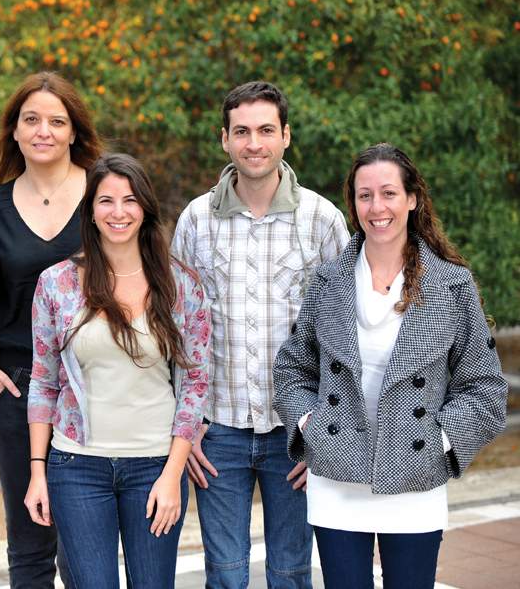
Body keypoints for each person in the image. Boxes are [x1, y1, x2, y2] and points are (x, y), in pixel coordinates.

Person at [273, 143, 507, 589]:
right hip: (338, 477)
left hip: (416, 477)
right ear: (353, 204)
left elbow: (485, 390)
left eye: (388, 193)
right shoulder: (327, 282)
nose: (376, 207)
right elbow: (293, 369)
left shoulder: (451, 285)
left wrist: (435, 440)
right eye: (365, 196)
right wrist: (310, 425)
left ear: (412, 198)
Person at [171, 80, 349, 588]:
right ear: (224, 138)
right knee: (224, 575)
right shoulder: (195, 221)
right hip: (216, 429)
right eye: (242, 131)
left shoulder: (322, 220)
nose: (255, 143)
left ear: (286, 136)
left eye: (266, 130)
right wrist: (186, 426)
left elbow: (345, 335)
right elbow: (178, 331)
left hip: (295, 430)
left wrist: (326, 433)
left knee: (291, 574)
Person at [24, 153, 210, 588]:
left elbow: (196, 384)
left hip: (154, 466)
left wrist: (172, 474)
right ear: (90, 210)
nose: (119, 212)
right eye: (106, 200)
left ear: (145, 207)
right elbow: (43, 381)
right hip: (77, 467)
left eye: (130, 200)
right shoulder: (57, 284)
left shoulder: (180, 284)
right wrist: (37, 472)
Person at [0, 71, 102, 588]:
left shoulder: (105, 197)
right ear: (15, 132)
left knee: (84, 542)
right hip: (15, 387)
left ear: (74, 132)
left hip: (93, 387)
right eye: (31, 120)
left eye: (56, 120)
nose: (43, 130)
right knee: (28, 541)